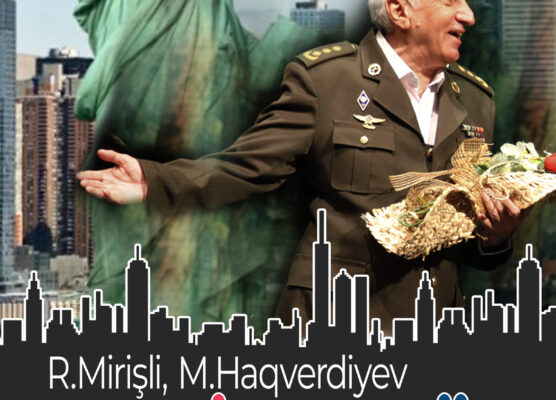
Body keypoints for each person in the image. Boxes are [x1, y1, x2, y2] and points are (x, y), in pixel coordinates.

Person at [78, 0, 528, 331]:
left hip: (435, 330)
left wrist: (496, 236)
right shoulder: (327, 80)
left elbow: (472, 238)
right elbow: (247, 166)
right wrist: (154, 180)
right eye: (450, 2)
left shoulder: (476, 102)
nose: (468, 15)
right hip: (333, 326)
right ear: (399, 10)